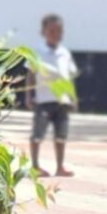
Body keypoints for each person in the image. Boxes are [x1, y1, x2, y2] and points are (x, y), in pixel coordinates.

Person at [31, 13, 78, 178]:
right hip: (43, 99)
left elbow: (69, 76)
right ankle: (35, 165)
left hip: (62, 100)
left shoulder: (64, 53)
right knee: (38, 134)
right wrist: (29, 95)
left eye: (58, 30)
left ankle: (60, 166)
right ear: (43, 32)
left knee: (61, 135)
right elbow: (30, 73)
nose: (55, 34)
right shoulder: (37, 52)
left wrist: (73, 98)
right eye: (51, 30)